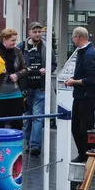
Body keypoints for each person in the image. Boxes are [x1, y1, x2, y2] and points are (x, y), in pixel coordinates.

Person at [63, 27, 95, 163]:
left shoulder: (89, 54)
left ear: (78, 37)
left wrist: (74, 82)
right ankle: (83, 153)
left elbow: (92, 78)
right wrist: (74, 79)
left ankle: (88, 154)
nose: (72, 40)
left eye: (73, 37)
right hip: (81, 95)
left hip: (87, 96)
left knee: (85, 127)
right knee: (77, 126)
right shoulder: (83, 52)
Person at [22, 22, 56, 157]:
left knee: (37, 117)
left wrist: (47, 70)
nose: (37, 34)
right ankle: (28, 142)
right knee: (27, 118)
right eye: (35, 32)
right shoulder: (21, 47)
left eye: (39, 32)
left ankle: (35, 145)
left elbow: (53, 64)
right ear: (29, 32)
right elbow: (16, 64)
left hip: (40, 87)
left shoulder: (47, 47)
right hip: (26, 87)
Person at [0, 28, 28, 130]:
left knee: (17, 125)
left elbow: (25, 69)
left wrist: (17, 75)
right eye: (12, 40)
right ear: (4, 40)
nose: (15, 43)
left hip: (15, 93)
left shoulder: (18, 52)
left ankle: (17, 141)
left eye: (15, 40)